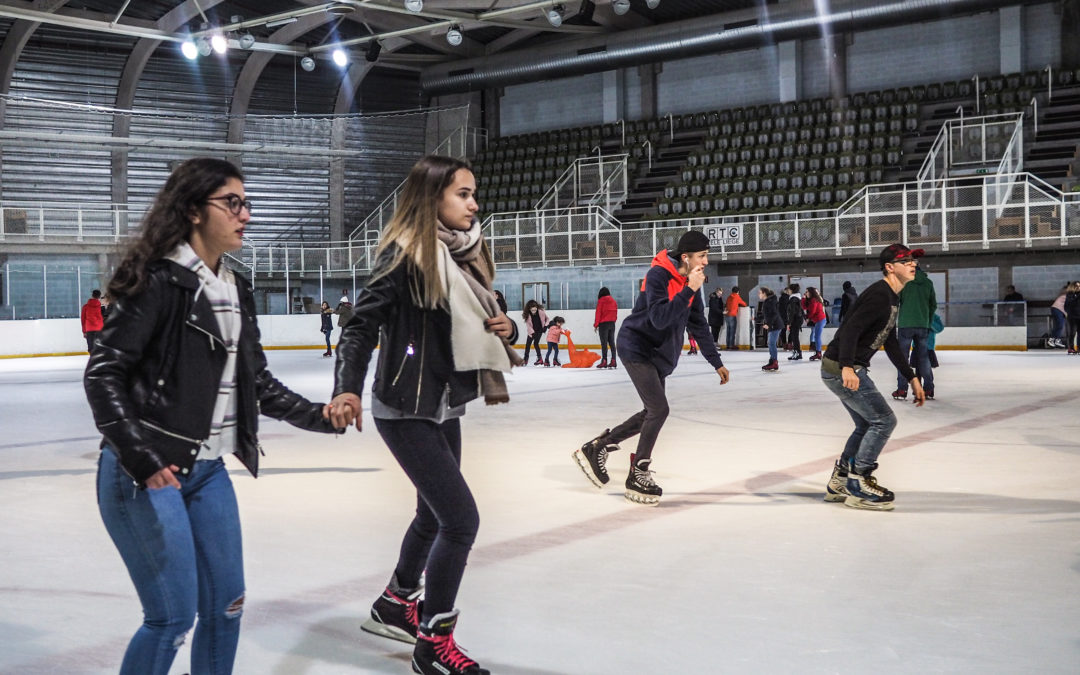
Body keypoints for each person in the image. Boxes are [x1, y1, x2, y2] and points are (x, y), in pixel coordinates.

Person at [83, 157, 339, 675]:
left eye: (246, 204)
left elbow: (256, 382)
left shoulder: (234, 288)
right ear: (195, 211)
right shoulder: (159, 281)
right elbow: (103, 374)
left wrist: (321, 416)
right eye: (233, 203)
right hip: (148, 475)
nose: (245, 215)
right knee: (172, 617)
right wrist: (141, 457)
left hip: (209, 471)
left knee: (227, 606)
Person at [328, 155, 519, 675]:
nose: (474, 203)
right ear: (431, 197)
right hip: (405, 407)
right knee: (460, 520)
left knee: (433, 515)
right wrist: (346, 388)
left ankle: (395, 602)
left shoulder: (465, 255)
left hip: (442, 403)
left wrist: (509, 328)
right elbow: (359, 328)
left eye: (473, 193)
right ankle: (433, 645)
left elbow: (485, 314)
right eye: (463, 194)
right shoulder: (405, 256)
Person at [572, 230, 731, 506]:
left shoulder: (693, 282)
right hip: (636, 347)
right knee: (659, 409)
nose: (706, 262)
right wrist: (689, 289)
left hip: (659, 356)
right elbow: (659, 318)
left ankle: (597, 447)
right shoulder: (658, 275)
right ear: (686, 257)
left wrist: (715, 361)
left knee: (651, 411)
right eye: (702, 256)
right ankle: (638, 473)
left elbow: (698, 324)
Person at [820, 244, 926, 511]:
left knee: (867, 424)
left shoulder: (893, 296)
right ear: (890, 267)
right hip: (841, 367)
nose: (912, 264)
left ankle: (840, 481)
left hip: (845, 366)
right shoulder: (880, 294)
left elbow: (889, 340)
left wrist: (911, 376)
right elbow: (851, 328)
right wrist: (847, 367)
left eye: (913, 260)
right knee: (883, 420)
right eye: (906, 261)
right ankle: (859, 483)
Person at [892, 262, 937, 400]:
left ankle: (902, 389)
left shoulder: (904, 282)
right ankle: (928, 388)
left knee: (903, 359)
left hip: (906, 324)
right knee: (923, 358)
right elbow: (933, 305)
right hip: (923, 325)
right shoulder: (928, 283)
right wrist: (927, 320)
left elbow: (896, 301)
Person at [759, 287, 783, 371]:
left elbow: (774, 314)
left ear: (764, 293)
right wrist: (757, 318)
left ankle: (774, 362)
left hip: (775, 325)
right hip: (774, 325)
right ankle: (772, 361)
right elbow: (767, 314)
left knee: (771, 343)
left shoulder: (769, 302)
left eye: (760, 293)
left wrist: (768, 324)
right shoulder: (768, 301)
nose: (759, 294)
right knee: (770, 343)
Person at [594, 286, 618, 368]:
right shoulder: (613, 301)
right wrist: (613, 320)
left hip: (603, 324)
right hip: (612, 323)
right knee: (612, 342)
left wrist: (596, 324)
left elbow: (598, 313)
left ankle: (604, 361)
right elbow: (615, 312)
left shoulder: (601, 301)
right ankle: (613, 360)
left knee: (604, 343)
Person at [802, 287, 827, 360]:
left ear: (811, 292)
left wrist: (808, 318)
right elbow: (804, 307)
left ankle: (818, 353)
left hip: (820, 319)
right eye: (805, 292)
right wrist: (803, 299)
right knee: (816, 336)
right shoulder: (810, 300)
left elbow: (813, 311)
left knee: (817, 337)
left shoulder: (814, 300)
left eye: (807, 292)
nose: (806, 293)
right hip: (817, 320)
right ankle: (818, 352)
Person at [522, 299, 549, 366]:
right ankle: (525, 360)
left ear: (537, 308)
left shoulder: (541, 312)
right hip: (531, 332)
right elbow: (528, 325)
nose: (534, 311)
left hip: (539, 331)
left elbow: (547, 319)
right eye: (532, 310)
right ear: (529, 309)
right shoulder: (527, 315)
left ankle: (540, 359)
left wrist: (545, 326)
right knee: (528, 345)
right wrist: (532, 333)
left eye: (535, 310)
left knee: (536, 343)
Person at [785, 283, 804, 361]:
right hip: (798, 319)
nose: (788, 291)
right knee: (794, 337)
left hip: (795, 320)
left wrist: (789, 322)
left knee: (794, 337)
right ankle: (797, 352)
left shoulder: (793, 299)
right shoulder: (797, 298)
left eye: (789, 289)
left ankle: (797, 353)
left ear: (792, 290)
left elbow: (792, 312)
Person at [1065, 281, 1080, 354]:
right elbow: (1068, 305)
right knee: (1072, 333)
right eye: (1076, 286)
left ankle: (1079, 348)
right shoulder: (1070, 295)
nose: (1078, 287)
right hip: (1072, 317)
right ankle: (1071, 348)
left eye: (1079, 286)